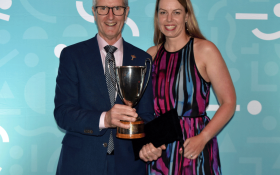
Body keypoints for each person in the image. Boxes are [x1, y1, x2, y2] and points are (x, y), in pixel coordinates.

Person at [54, 0, 154, 174]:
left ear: (126, 11)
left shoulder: (142, 59)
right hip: (81, 164)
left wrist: (153, 142)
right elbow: (63, 113)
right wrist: (104, 119)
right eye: (103, 8)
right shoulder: (72, 56)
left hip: (129, 165)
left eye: (117, 8)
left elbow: (147, 115)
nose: (110, 15)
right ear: (94, 11)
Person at [139, 0, 236, 174]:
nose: (169, 19)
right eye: (163, 12)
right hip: (159, 149)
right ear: (157, 16)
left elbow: (228, 102)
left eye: (176, 12)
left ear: (186, 15)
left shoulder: (205, 50)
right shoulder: (151, 54)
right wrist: (145, 143)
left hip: (193, 145)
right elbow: (143, 109)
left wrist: (203, 138)